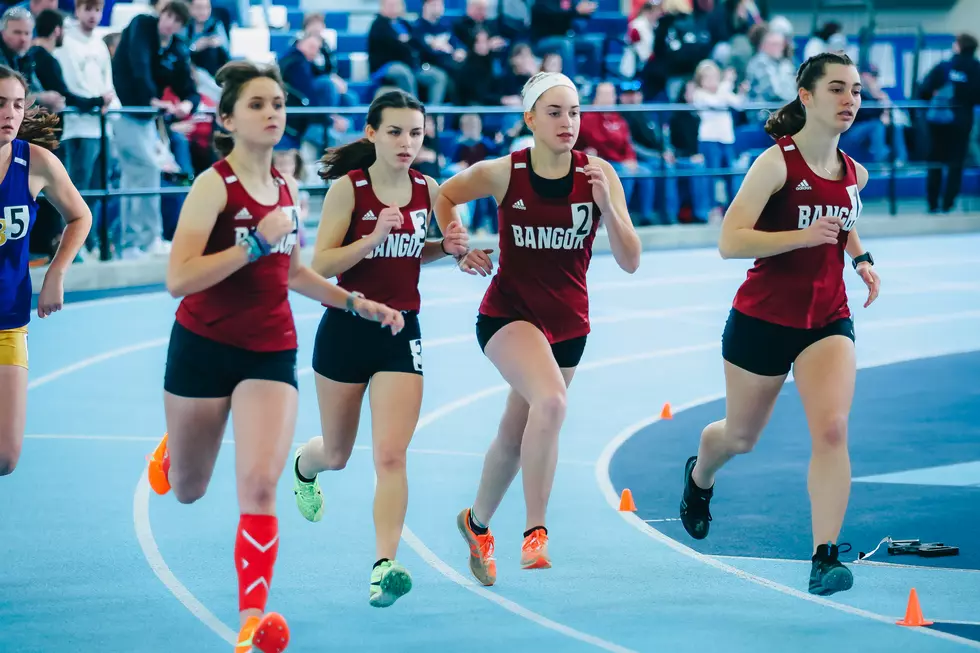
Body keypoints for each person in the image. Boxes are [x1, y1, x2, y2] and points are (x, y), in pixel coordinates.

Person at [143, 61, 405, 653]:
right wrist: (252, 242)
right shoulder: (214, 185)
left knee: (260, 486)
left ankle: (250, 620)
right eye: (258, 105)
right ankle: (172, 447)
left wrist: (358, 302)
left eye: (278, 104)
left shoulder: (287, 190)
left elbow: (291, 273)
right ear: (228, 119)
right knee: (187, 488)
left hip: (270, 350)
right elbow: (179, 278)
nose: (272, 114)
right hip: (203, 347)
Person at [677, 52, 882, 597]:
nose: (850, 100)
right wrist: (801, 236)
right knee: (740, 437)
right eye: (837, 89)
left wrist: (859, 259)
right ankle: (701, 477)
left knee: (833, 429)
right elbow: (730, 241)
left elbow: (841, 220)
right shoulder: (775, 164)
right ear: (807, 96)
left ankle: (824, 559)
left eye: (857, 91)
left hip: (827, 319)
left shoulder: (856, 172)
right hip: (762, 318)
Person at [433, 71, 642, 585]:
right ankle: (535, 531)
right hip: (508, 314)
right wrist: (456, 244)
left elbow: (631, 260)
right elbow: (443, 194)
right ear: (530, 119)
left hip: (568, 324)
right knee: (550, 403)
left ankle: (477, 523)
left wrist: (609, 207)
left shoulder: (599, 175)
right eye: (554, 112)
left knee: (515, 431)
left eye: (574, 112)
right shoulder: (505, 172)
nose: (567, 122)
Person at [291, 89, 469, 608]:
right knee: (339, 453)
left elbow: (413, 253)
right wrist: (371, 237)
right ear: (371, 133)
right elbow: (318, 266)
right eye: (395, 131)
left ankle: (383, 565)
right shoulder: (349, 190)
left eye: (415, 132)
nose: (406, 142)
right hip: (346, 327)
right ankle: (305, 464)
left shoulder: (428, 188)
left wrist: (450, 250)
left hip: (400, 331)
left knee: (392, 455)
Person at [0, 64, 91, 477]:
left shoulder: (35, 162)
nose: (10, 113)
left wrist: (56, 273)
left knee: (5, 458)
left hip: (9, 321)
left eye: (17, 104)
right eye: (0, 103)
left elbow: (80, 217)